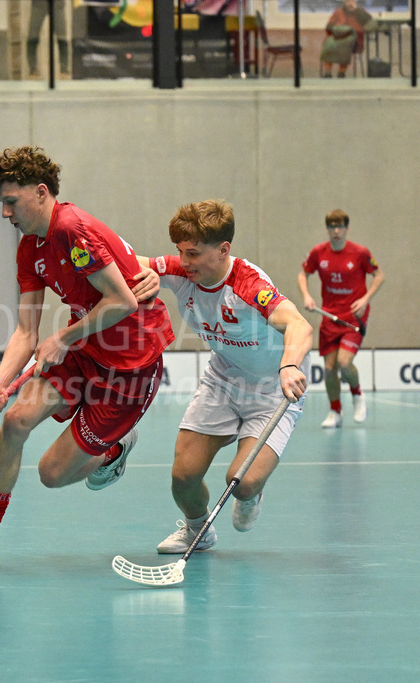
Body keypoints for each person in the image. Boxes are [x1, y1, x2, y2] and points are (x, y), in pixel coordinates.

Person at [0, 146, 174, 571]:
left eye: (10, 202)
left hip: (129, 365)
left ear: (41, 192)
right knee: (14, 420)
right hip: (85, 348)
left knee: (52, 475)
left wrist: (64, 337)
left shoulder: (71, 229)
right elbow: (26, 332)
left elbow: (122, 301)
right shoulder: (29, 247)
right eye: (1, 204)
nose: (5, 214)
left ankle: (116, 448)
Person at [133, 200, 311, 554]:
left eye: (194, 253)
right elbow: (124, 262)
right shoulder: (183, 271)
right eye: (180, 252)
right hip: (222, 382)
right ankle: (198, 530)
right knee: (183, 478)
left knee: (240, 482)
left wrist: (290, 365)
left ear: (223, 249)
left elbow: (298, 324)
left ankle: (251, 494)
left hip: (271, 392)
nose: (184, 262)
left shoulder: (248, 285)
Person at [297, 209, 384, 428]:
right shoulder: (319, 253)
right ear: (327, 229)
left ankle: (357, 395)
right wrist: (307, 296)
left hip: (353, 317)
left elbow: (379, 276)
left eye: (340, 227)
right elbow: (303, 274)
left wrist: (365, 299)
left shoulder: (360, 253)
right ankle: (335, 411)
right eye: (332, 227)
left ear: (346, 229)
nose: (336, 231)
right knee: (328, 369)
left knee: (345, 363)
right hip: (329, 316)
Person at [320, 0, 374, 78]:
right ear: (344, 2)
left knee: (345, 46)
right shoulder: (338, 12)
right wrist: (337, 29)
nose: (350, 3)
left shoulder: (360, 12)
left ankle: (341, 72)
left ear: (355, 2)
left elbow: (368, 21)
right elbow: (329, 26)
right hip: (337, 35)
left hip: (353, 37)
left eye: (352, 1)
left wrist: (356, 10)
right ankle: (327, 72)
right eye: (348, 1)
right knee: (329, 44)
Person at [27, 0, 70, 78]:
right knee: (32, 37)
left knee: (62, 38)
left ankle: (64, 70)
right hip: (38, 4)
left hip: (57, 4)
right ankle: (32, 70)